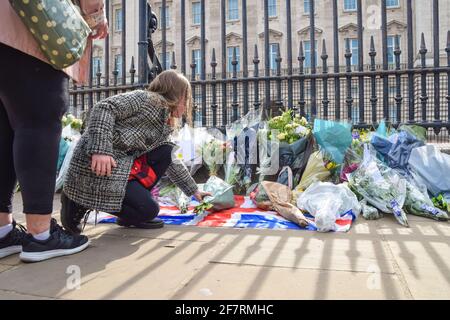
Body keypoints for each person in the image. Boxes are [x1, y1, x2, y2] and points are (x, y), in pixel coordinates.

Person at [0, 0, 108, 263]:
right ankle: (41, 235)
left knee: (4, 128)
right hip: (30, 22)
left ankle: (2, 230)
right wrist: (95, 15)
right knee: (38, 122)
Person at [61, 70, 211, 234]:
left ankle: (130, 212)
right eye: (186, 98)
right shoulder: (145, 99)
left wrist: (193, 190)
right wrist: (101, 150)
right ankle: (77, 202)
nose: (188, 104)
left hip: (121, 166)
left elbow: (172, 161)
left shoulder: (164, 121)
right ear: (176, 95)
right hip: (98, 163)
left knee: (166, 151)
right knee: (148, 210)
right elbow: (104, 108)